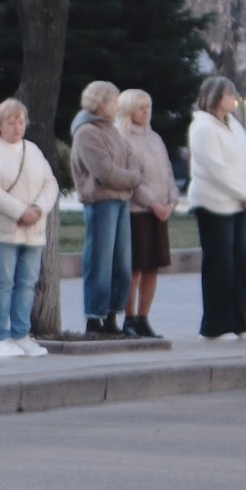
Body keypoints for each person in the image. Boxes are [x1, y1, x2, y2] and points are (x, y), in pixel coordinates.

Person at [0, 98, 58, 358]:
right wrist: (19, 212)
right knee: (3, 282)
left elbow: (50, 183)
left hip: (33, 229)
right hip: (3, 228)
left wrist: (38, 209)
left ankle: (21, 334)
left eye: (21, 121)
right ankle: (0, 336)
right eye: (12, 122)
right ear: (0, 125)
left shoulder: (33, 150)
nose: (18, 126)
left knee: (27, 282)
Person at [72, 80, 141, 336]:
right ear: (100, 103)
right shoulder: (87, 132)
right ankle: (94, 317)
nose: (117, 105)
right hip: (101, 201)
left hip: (121, 200)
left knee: (121, 262)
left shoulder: (113, 130)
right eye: (113, 100)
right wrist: (133, 179)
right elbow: (104, 171)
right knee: (100, 260)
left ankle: (113, 315)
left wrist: (131, 177)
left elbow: (132, 160)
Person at [188, 75, 246, 339]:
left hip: (237, 204)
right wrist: (242, 191)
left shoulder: (234, 126)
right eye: (229, 94)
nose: (234, 99)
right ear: (215, 97)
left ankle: (239, 322)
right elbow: (215, 168)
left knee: (241, 262)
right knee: (220, 264)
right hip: (213, 203)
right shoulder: (203, 127)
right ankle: (216, 325)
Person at [118, 88, 177, 339]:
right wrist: (154, 203)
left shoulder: (155, 138)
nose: (146, 111)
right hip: (138, 212)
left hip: (160, 212)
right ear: (129, 109)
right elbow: (134, 180)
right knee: (136, 267)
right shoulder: (123, 138)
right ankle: (129, 318)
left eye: (148, 106)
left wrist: (171, 200)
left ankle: (144, 318)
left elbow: (167, 170)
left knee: (153, 266)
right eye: (141, 106)